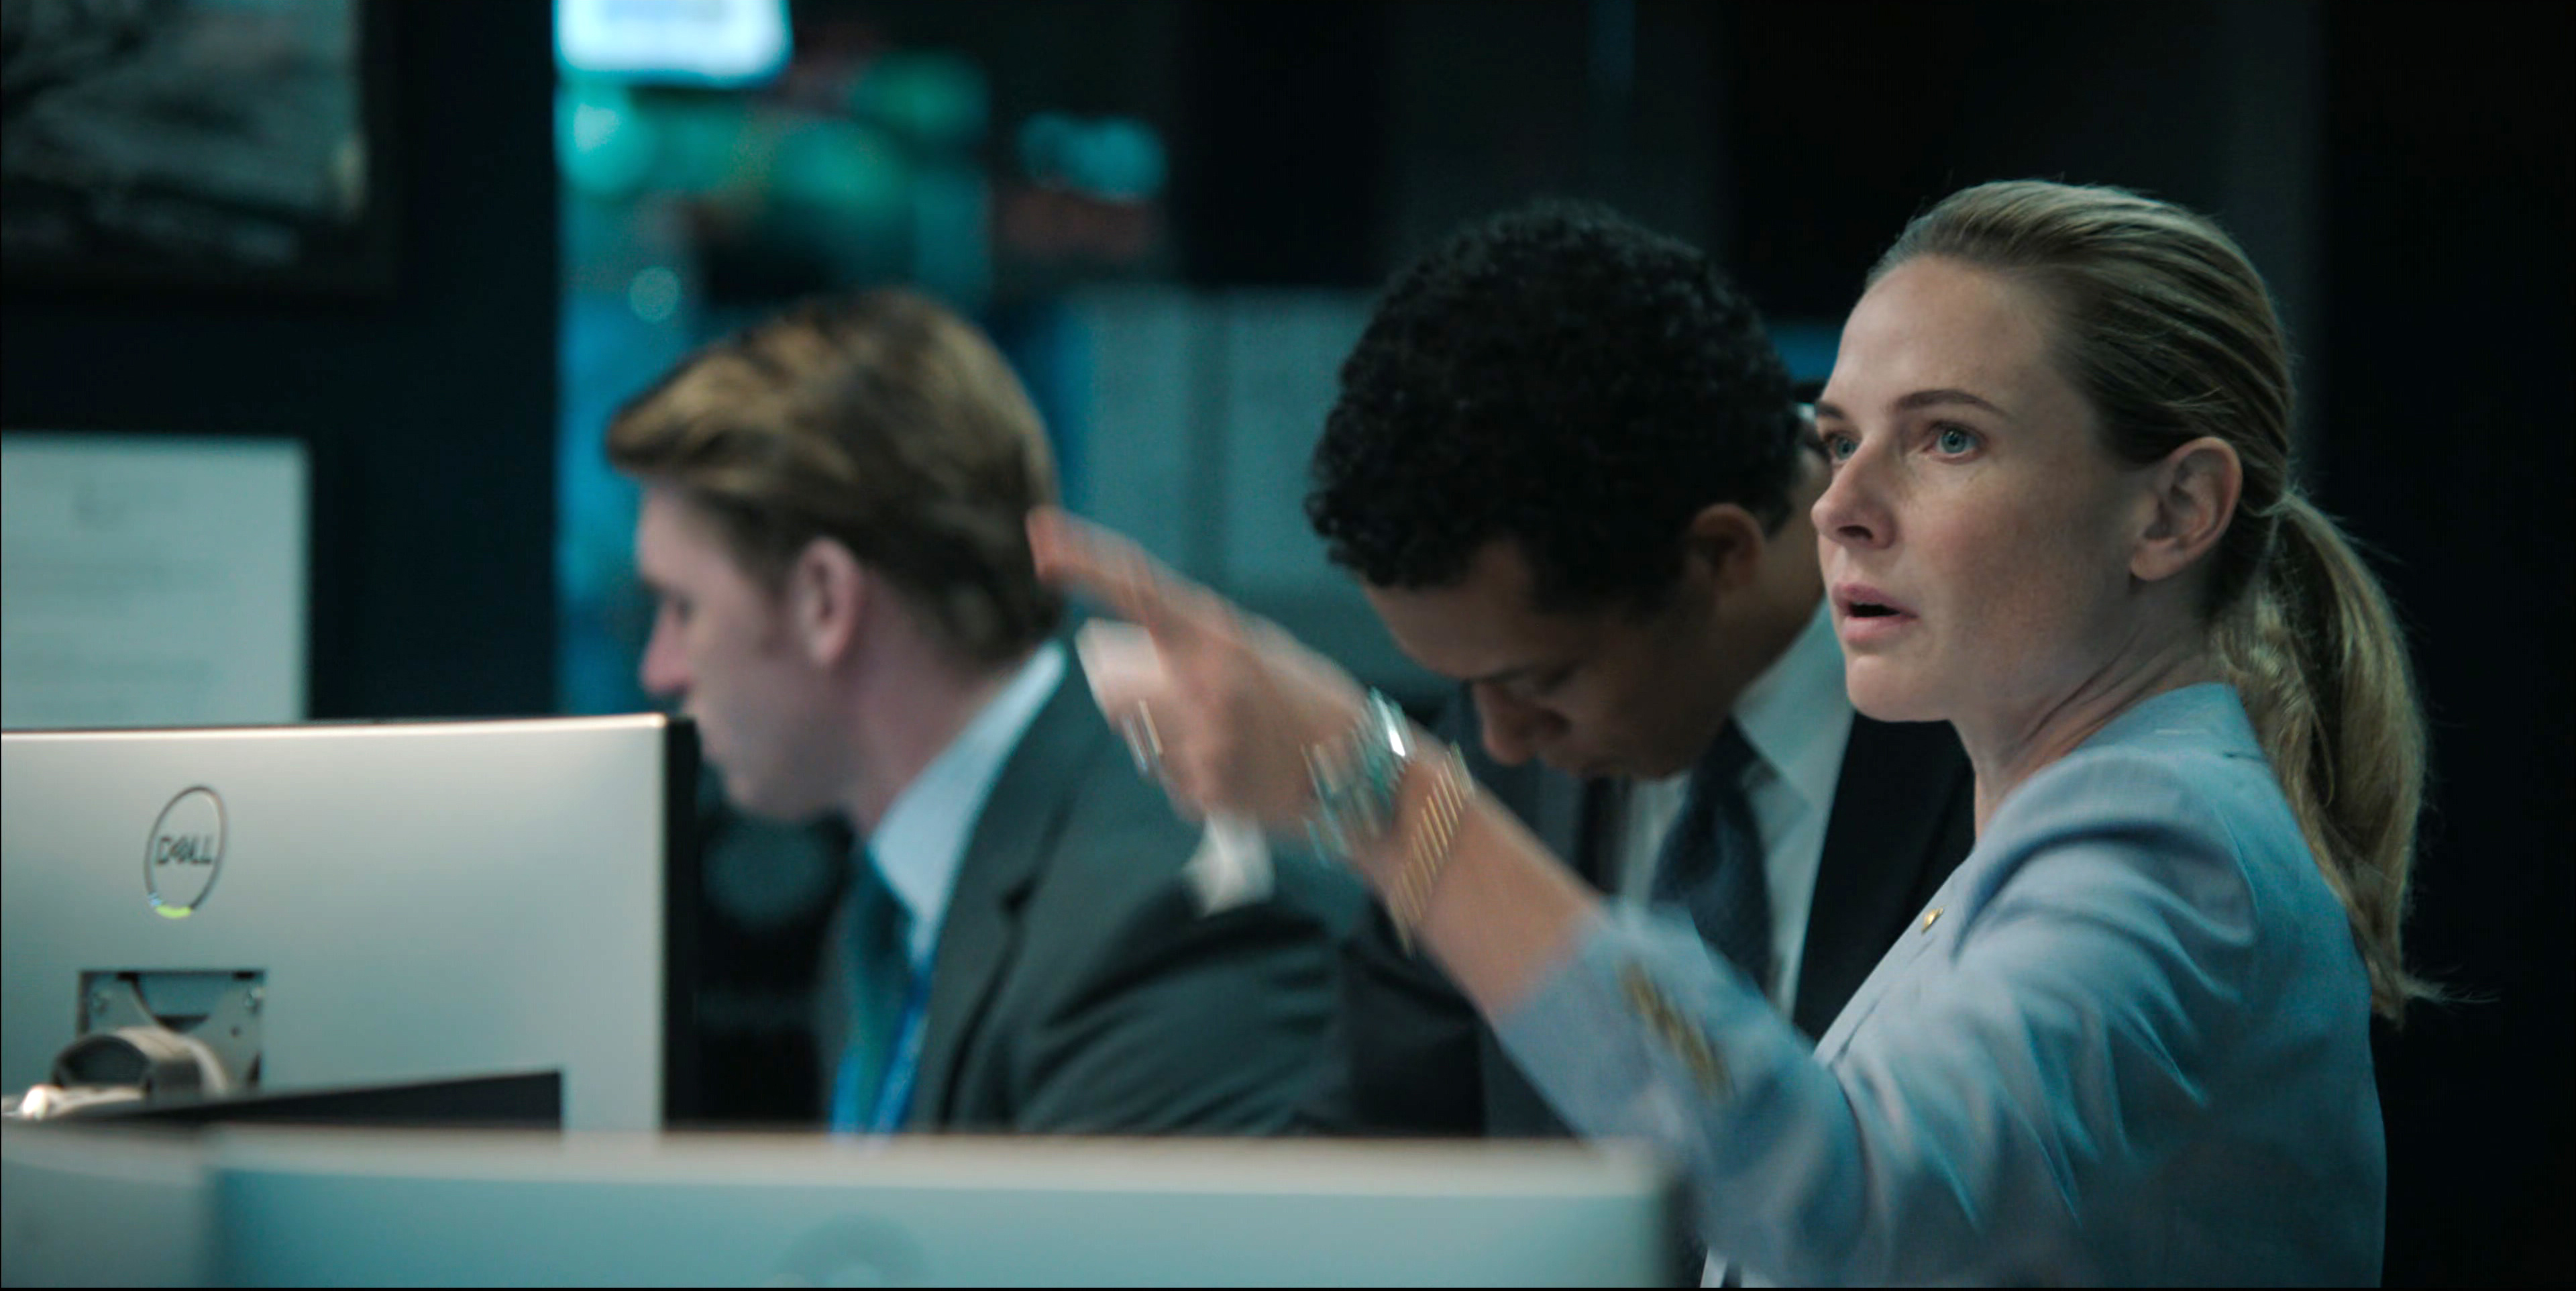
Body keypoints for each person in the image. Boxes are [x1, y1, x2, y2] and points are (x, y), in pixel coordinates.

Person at [1034, 180, 2425, 1283]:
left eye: (1947, 438)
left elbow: (1836, 1191)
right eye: (1839, 436)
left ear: (2173, 512)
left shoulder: (2165, 836)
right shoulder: (2075, 815)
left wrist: (1385, 794)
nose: (1840, 506)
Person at [1293, 202, 1974, 1138]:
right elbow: (1367, 1152)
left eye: (1538, 682)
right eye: (1465, 684)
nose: (1496, 742)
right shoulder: (1509, 695)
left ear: (1721, 555)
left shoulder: (2021, 692)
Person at [608, 289, 1347, 1135]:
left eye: (683, 608)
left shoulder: (1161, 921)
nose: (660, 669)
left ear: (824, 601)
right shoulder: (890, 912)